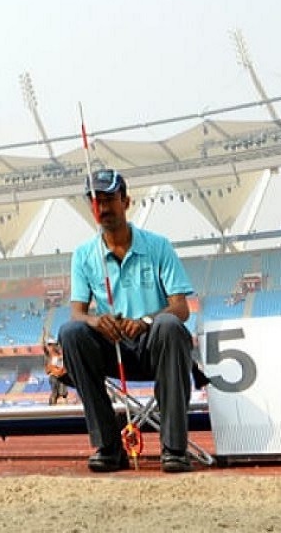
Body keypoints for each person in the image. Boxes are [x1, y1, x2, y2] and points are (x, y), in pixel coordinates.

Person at [59, 169, 196, 474]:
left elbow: (181, 308)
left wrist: (146, 321)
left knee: (169, 325)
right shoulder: (83, 255)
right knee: (71, 333)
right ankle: (108, 446)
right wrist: (97, 323)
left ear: (126, 201)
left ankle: (175, 448)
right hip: (114, 350)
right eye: (96, 202)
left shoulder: (158, 246)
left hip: (156, 348)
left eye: (109, 200)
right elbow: (78, 313)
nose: (103, 208)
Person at [43, 338, 70, 406]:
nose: (56, 346)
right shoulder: (49, 353)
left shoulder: (59, 354)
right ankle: (52, 407)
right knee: (55, 394)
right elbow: (44, 346)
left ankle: (64, 408)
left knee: (63, 394)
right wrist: (44, 335)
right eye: (55, 345)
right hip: (54, 376)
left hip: (62, 376)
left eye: (56, 344)